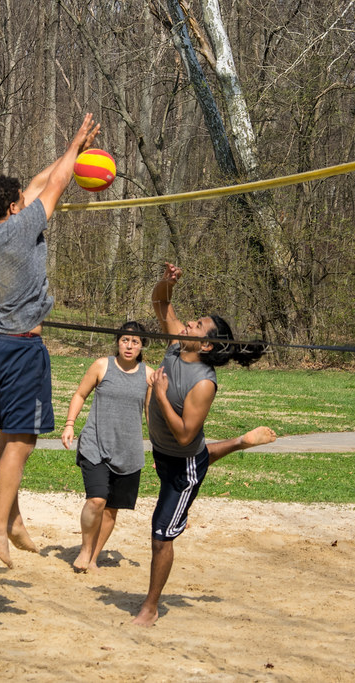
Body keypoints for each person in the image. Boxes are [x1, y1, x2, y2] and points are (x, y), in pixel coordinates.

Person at [0, 113, 100, 568]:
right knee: (23, 441)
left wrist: (75, 152)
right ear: (14, 209)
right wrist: (74, 144)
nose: (25, 201)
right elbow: (57, 183)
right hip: (19, 349)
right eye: (20, 202)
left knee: (11, 437)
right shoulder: (20, 229)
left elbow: (37, 181)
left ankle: (11, 518)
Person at [132, 263, 271, 626]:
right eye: (192, 321)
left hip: (182, 463)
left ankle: (150, 606)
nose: (189, 323)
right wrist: (167, 283)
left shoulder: (204, 383)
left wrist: (159, 394)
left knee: (161, 534)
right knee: (196, 458)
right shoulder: (178, 345)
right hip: (164, 455)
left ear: (206, 344)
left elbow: (184, 435)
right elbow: (161, 306)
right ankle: (241, 441)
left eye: (197, 325)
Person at [61, 321, 154, 573]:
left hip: (128, 452)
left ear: (142, 345)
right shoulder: (102, 366)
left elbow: (150, 413)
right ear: (117, 341)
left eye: (135, 342)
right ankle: (84, 548)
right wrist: (70, 424)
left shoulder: (148, 375)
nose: (129, 345)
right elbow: (80, 394)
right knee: (96, 500)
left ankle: (93, 557)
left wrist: (158, 447)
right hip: (95, 444)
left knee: (112, 510)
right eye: (125, 340)